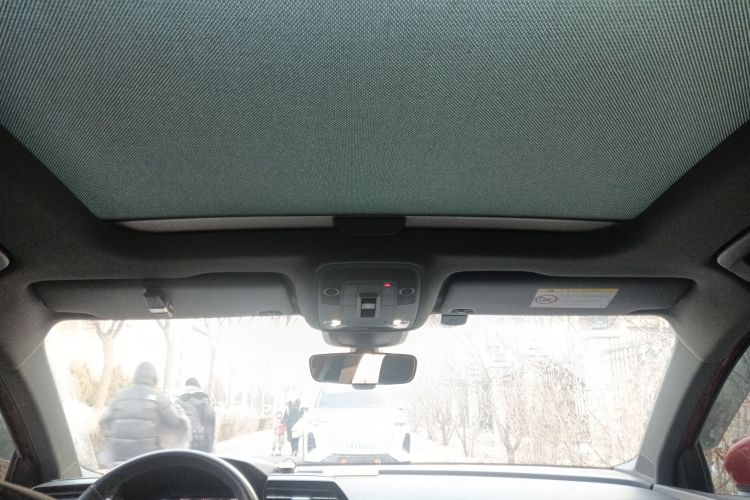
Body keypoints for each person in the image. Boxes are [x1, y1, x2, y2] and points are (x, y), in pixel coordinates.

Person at [98, 362, 187, 467]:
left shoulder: (120, 395)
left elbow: (104, 420)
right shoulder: (158, 397)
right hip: (145, 458)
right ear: (154, 379)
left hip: (117, 458)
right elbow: (173, 422)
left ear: (136, 377)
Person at [176, 377, 216, 452]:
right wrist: (209, 446)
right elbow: (209, 422)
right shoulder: (203, 399)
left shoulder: (179, 400)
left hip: (184, 441)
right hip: (200, 440)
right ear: (198, 386)